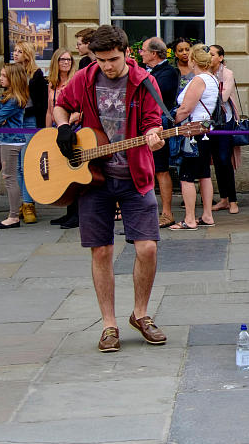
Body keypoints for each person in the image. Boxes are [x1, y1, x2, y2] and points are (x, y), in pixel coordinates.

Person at [53, 24, 167, 352]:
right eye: (100, 60)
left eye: (113, 59)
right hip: (93, 180)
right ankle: (109, 324)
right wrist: (62, 126)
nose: (107, 66)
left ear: (127, 53)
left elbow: (151, 123)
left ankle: (141, 315)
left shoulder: (144, 82)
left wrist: (154, 138)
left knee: (147, 248)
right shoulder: (85, 77)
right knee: (101, 250)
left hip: (135, 177)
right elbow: (61, 104)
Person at [170, 44, 218, 230]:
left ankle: (189, 219)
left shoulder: (199, 79)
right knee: (204, 173)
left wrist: (171, 120)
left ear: (193, 61)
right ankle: (207, 215)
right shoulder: (212, 78)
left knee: (186, 175)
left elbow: (186, 108)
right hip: (206, 129)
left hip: (193, 132)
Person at [140, 37, 179, 228]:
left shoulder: (168, 72)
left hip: (158, 125)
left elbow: (153, 95)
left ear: (154, 54)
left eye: (143, 50)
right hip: (142, 126)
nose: (140, 53)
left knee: (160, 169)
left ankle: (167, 213)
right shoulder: (145, 71)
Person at [0, 63, 28, 229]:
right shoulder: (6, 95)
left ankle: (13, 217)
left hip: (10, 142)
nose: (0, 78)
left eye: (4, 76)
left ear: (13, 78)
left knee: (9, 178)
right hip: (0, 139)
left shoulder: (14, 99)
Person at [13, 41, 47, 224]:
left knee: (27, 164)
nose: (15, 54)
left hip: (29, 121)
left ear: (27, 54)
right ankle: (22, 203)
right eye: (15, 51)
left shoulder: (36, 74)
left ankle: (29, 204)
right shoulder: (12, 72)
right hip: (14, 123)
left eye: (19, 51)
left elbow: (41, 104)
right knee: (17, 166)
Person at [45, 48, 79, 229]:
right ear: (56, 62)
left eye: (69, 60)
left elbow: (79, 109)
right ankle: (68, 213)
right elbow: (50, 110)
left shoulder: (75, 82)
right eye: (62, 60)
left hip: (72, 129)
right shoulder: (51, 84)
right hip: (55, 129)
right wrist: (46, 133)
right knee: (61, 172)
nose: (66, 62)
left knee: (73, 171)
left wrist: (66, 123)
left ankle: (77, 214)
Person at [209, 44, 241, 215]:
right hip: (210, 122)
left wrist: (205, 92)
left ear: (221, 57)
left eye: (213, 54)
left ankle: (233, 200)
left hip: (225, 120)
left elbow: (224, 96)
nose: (210, 57)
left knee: (224, 160)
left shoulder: (226, 74)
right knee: (216, 161)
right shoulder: (206, 72)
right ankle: (223, 199)